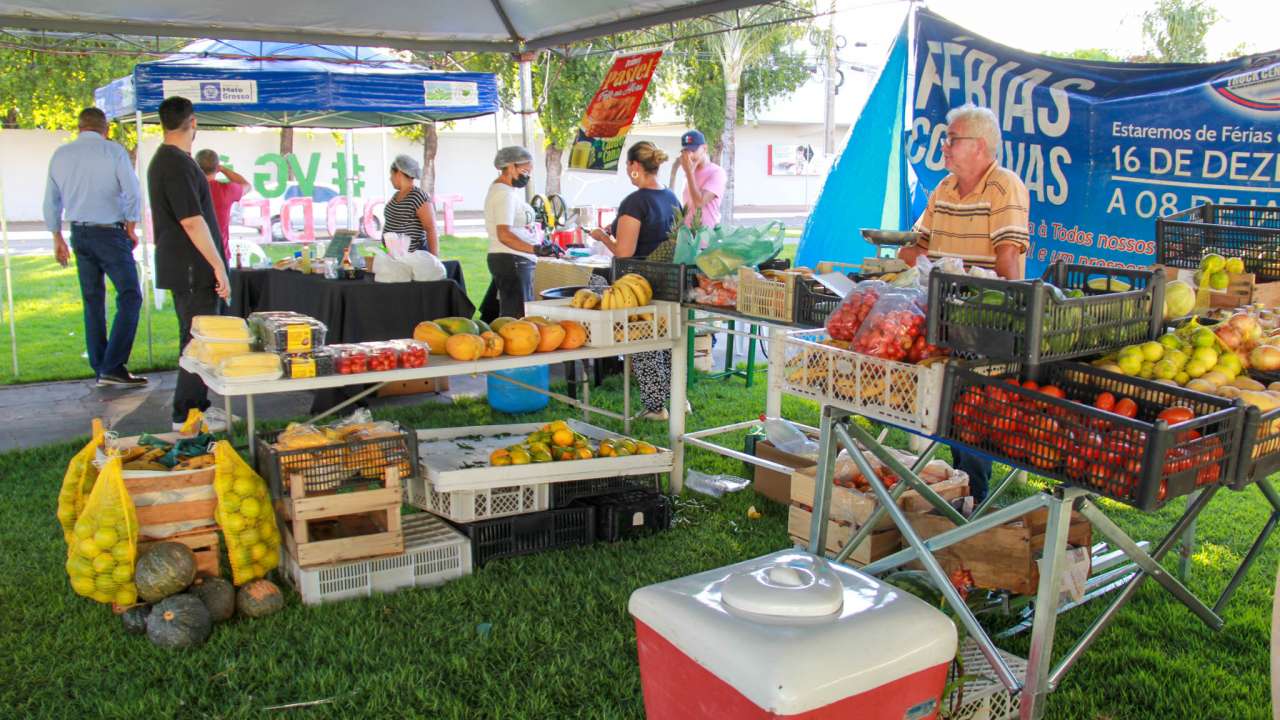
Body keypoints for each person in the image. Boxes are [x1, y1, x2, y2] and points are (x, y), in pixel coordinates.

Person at [898, 103, 1031, 502]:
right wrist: (887, 261)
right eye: (946, 139)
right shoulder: (942, 190)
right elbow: (919, 246)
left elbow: (1008, 256)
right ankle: (951, 488)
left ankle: (971, 496)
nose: (945, 146)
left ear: (981, 146)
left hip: (983, 317)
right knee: (943, 404)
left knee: (971, 411)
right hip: (938, 316)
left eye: (952, 139)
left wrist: (1009, 315)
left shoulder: (1004, 186)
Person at [42, 107, 146, 387]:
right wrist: (131, 227)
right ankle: (113, 365)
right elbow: (132, 191)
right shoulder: (113, 152)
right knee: (130, 295)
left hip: (79, 232)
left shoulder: (61, 155)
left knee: (93, 300)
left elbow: (51, 200)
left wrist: (57, 237)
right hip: (109, 232)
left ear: (79, 127)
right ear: (105, 129)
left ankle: (101, 366)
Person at [147, 96, 233, 432]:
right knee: (199, 339)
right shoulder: (176, 164)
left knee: (197, 337)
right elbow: (192, 222)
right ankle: (187, 413)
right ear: (193, 122)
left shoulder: (170, 161)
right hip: (191, 267)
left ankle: (195, 408)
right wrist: (218, 266)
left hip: (186, 265)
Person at [588, 141, 682, 419]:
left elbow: (625, 252)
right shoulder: (670, 197)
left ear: (634, 166)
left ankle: (656, 407)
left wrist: (603, 237)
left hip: (640, 283)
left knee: (645, 344)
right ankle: (677, 400)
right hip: (667, 279)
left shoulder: (635, 201)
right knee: (668, 343)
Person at [480, 146, 558, 321]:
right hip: (511, 259)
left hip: (515, 258)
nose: (527, 176)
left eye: (529, 172)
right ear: (510, 166)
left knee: (518, 314)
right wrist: (535, 249)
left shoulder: (508, 191)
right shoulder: (502, 194)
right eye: (524, 171)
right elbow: (504, 234)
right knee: (517, 318)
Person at [194, 149, 250, 263]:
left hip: (195, 254)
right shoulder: (226, 190)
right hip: (220, 254)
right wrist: (223, 169)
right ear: (216, 168)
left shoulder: (190, 190)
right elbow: (247, 185)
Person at [383, 154, 439, 255]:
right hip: (396, 258)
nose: (390, 178)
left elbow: (431, 229)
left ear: (399, 173)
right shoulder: (396, 196)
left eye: (391, 174)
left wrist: (434, 259)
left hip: (414, 259)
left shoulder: (418, 196)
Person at [677, 129, 727, 229]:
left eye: (693, 150)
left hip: (706, 238)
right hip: (688, 236)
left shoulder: (717, 172)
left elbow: (699, 203)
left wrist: (689, 173)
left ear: (705, 148)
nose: (690, 155)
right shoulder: (690, 171)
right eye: (686, 151)